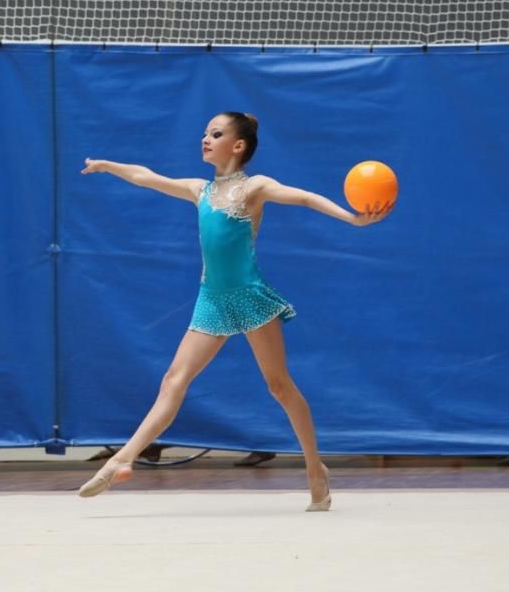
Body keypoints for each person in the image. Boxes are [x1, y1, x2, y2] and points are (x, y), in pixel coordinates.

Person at [77, 112, 393, 511]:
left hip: (249, 297)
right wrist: (108, 166)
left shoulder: (254, 188)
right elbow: (146, 176)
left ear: (238, 146)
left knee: (279, 387)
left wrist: (352, 219)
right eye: (205, 133)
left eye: (216, 133)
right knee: (174, 379)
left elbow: (304, 197)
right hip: (211, 299)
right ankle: (123, 459)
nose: (205, 139)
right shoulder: (200, 190)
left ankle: (316, 469)